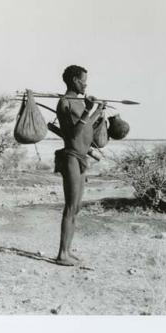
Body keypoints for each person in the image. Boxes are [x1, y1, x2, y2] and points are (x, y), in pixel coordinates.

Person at [54, 65, 106, 266]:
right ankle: (61, 254)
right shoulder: (65, 102)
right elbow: (74, 134)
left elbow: (85, 130)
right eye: (84, 80)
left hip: (82, 158)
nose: (86, 84)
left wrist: (97, 111)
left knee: (76, 208)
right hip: (71, 158)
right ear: (75, 81)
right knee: (70, 207)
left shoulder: (77, 102)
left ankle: (67, 250)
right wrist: (88, 109)